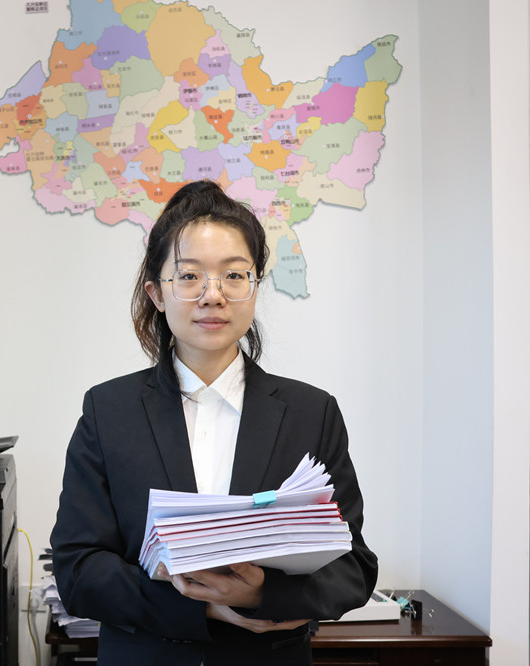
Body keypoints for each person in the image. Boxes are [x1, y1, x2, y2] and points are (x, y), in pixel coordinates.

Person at [50, 180, 378, 665]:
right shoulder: (108, 410)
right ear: (157, 294)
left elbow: (353, 567)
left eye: (233, 275)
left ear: (255, 288)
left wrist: (261, 595)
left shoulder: (312, 412)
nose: (213, 295)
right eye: (189, 276)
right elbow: (78, 569)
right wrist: (206, 608)